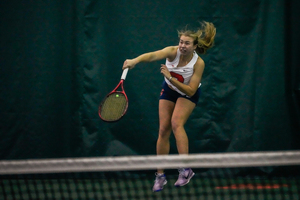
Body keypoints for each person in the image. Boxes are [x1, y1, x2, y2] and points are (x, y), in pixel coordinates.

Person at [122, 21, 216, 192]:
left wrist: (170, 77)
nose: (182, 45)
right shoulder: (172, 52)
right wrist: (134, 61)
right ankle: (160, 176)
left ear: (194, 46)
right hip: (169, 90)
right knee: (163, 130)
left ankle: (186, 169)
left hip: (188, 93)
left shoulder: (198, 63)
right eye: (181, 41)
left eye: (187, 43)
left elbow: (191, 89)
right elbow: (151, 55)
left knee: (176, 124)